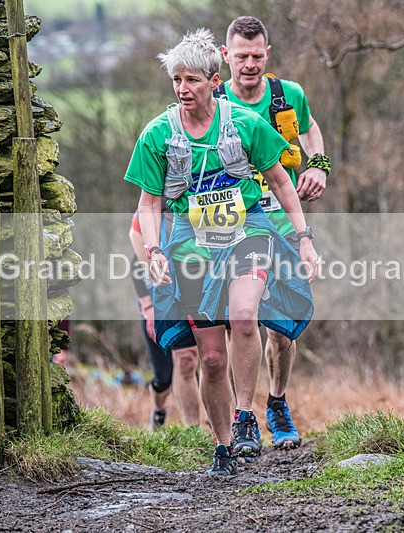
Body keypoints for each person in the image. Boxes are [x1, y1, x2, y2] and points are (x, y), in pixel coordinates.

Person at [125, 28, 318, 475]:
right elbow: (149, 203)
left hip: (247, 232)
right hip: (190, 246)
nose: (181, 89)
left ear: (214, 80)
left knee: (246, 316)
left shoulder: (246, 124)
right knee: (210, 358)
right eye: (176, 81)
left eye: (191, 80)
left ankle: (246, 415)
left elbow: (281, 181)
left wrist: (304, 238)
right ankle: (223, 446)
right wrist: (153, 250)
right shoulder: (158, 135)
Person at [216, 15, 331, 450]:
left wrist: (318, 166)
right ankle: (240, 414)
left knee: (282, 330)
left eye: (257, 56)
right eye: (241, 56)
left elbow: (311, 128)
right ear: (226, 56)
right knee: (237, 323)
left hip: (283, 220)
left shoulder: (287, 96)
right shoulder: (215, 100)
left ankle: (277, 404)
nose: (249, 64)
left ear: (268, 55)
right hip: (233, 225)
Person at [128, 210, 201, 430]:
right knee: (163, 377)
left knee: (189, 361)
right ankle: (159, 411)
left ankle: (196, 429)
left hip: (189, 293)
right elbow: (136, 266)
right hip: (155, 301)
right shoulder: (149, 212)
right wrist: (148, 307)